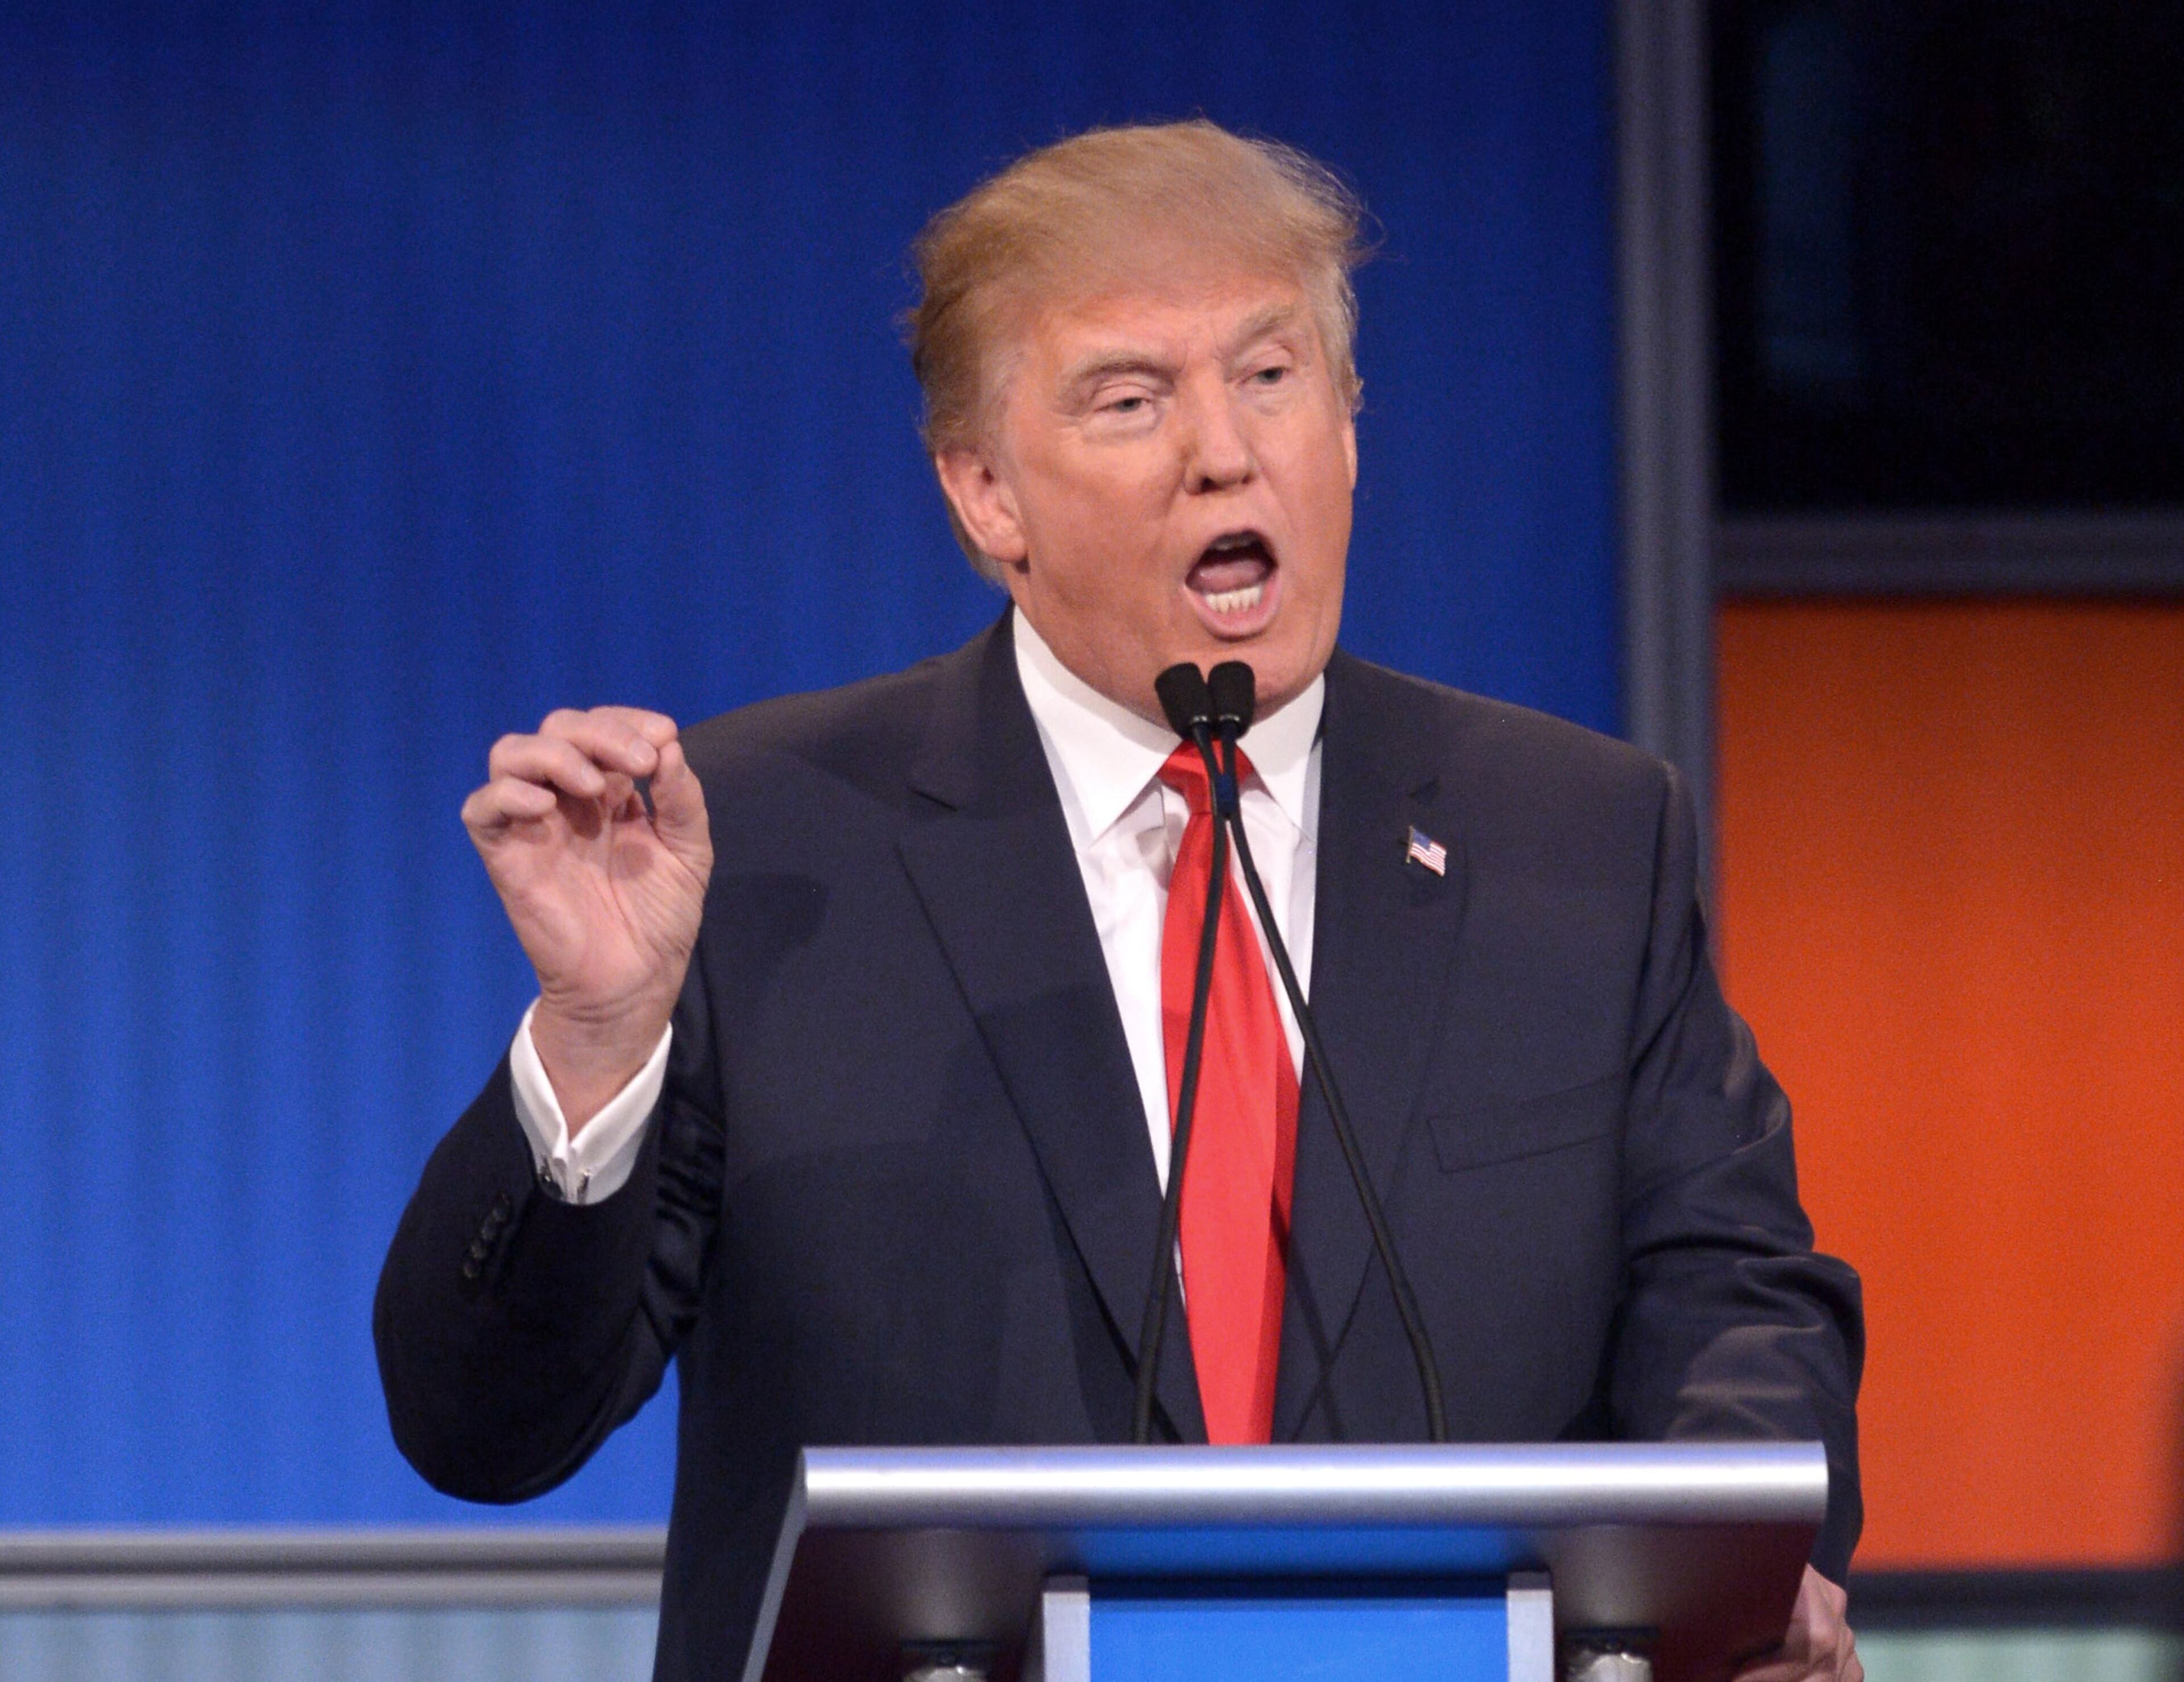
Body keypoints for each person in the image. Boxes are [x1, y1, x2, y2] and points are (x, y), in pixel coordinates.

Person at [375, 121, 1864, 1682]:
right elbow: (486, 1431)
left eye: (1272, 377)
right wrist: (603, 1038)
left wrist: (1752, 1565)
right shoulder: (764, 846)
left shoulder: (1576, 836)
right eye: (1131, 399)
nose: (1224, 451)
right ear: (986, 497)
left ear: (1350, 431)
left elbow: (1737, 1296)